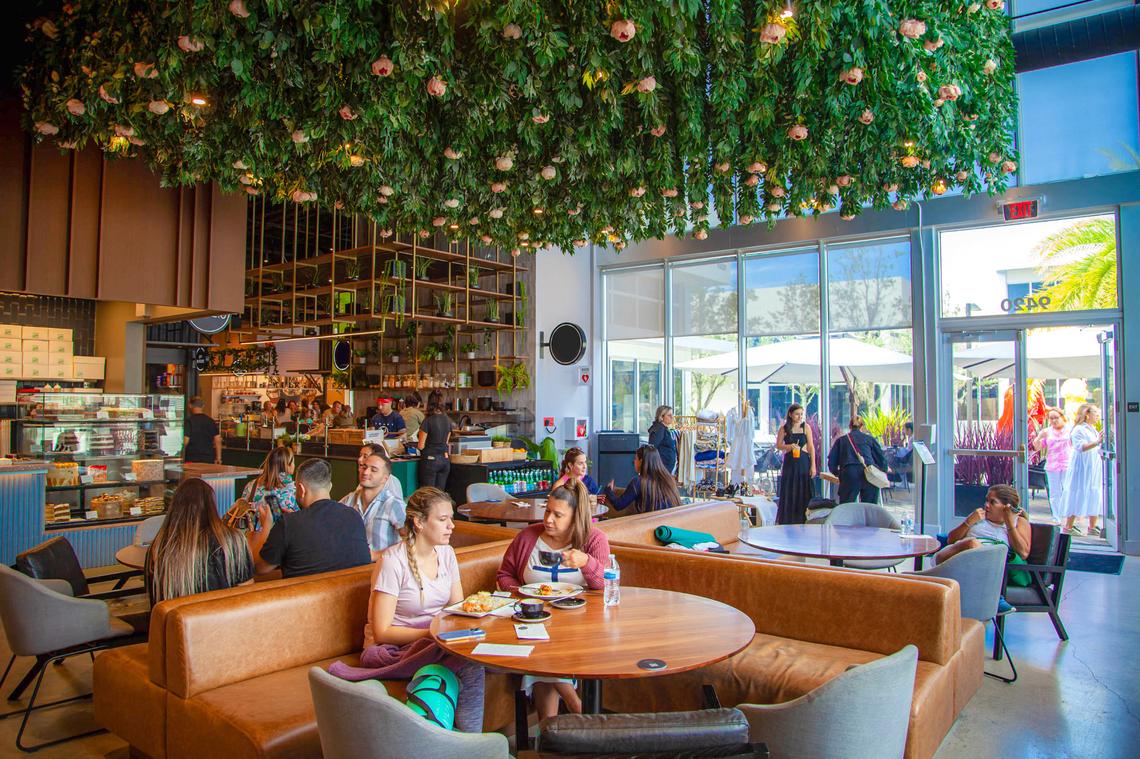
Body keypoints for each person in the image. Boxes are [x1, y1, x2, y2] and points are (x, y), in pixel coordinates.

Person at [327, 487, 486, 733]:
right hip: (391, 649)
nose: (452, 526)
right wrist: (431, 634)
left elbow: (455, 609)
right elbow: (382, 632)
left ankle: (461, 741)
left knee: (476, 652)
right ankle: (468, 740)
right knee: (469, 662)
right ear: (419, 522)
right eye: (443, 520)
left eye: (451, 519)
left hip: (434, 641)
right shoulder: (393, 561)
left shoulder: (447, 554)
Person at [496, 480, 609, 720]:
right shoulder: (528, 537)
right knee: (539, 647)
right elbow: (504, 574)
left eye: (558, 515)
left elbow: (604, 584)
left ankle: (552, 728)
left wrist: (586, 562)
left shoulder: (594, 540)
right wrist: (521, 593)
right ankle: (576, 712)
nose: (548, 519)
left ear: (574, 517)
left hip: (579, 623)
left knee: (543, 654)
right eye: (547, 511)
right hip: (532, 618)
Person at [247, 458, 371, 578]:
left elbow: (259, 568)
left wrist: (266, 525)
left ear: (301, 490)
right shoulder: (354, 516)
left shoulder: (289, 523)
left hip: (302, 597)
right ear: (330, 486)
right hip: (354, 594)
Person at [145, 478, 253, 604]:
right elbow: (247, 592)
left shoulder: (159, 546)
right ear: (212, 506)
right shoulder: (234, 540)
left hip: (175, 621)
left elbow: (155, 601)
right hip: (223, 620)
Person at [934, 484, 1031, 565]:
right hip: (954, 558)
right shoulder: (978, 517)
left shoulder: (1019, 522)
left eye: (993, 502)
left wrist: (1009, 523)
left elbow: (1023, 553)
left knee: (973, 544)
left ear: (1007, 507)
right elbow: (951, 540)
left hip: (988, 566)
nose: (986, 505)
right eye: (987, 500)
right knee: (971, 543)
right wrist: (968, 522)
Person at [341, 451, 407, 558]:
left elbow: (412, 540)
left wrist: (377, 555)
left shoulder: (393, 504)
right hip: (353, 566)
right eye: (364, 467)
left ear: (385, 478)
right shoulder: (349, 499)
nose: (366, 472)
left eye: (374, 470)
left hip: (382, 567)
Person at [1058, 403, 1103, 537]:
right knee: (1078, 492)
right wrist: (1097, 442)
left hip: (1092, 466)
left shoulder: (1092, 429)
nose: (1098, 416)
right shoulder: (1079, 430)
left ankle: (1092, 525)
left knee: (1093, 491)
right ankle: (1069, 525)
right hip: (1081, 467)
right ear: (1087, 414)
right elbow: (1080, 447)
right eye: (1095, 413)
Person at [826, 416, 888, 505]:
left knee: (847, 507)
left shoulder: (842, 440)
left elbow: (832, 461)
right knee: (869, 508)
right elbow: (882, 460)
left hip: (849, 474)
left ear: (850, 426)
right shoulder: (870, 439)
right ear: (862, 427)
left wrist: (839, 474)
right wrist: (882, 471)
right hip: (869, 473)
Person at [602, 444, 681, 514]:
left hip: (651, 526)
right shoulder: (668, 479)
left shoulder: (638, 482)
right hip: (671, 524)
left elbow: (618, 505)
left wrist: (609, 490)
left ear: (641, 461)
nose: (634, 461)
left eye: (635, 458)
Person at [774, 404, 816, 523]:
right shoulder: (784, 428)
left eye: (801, 414)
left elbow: (811, 447)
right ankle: (788, 519)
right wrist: (789, 446)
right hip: (790, 462)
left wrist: (813, 465)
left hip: (803, 461)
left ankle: (803, 518)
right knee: (790, 489)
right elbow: (778, 445)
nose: (799, 417)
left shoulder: (806, 427)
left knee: (803, 489)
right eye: (797, 414)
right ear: (791, 415)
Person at [1034, 408, 1072, 521]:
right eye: (1051, 418)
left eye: (1056, 418)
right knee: (1055, 492)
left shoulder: (1070, 430)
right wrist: (1039, 437)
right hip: (1052, 464)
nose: (1054, 420)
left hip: (1067, 463)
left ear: (1062, 417)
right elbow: (1038, 447)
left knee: (1067, 489)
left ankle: (1068, 515)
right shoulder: (1047, 432)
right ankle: (1057, 516)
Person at [239, 445, 300, 513]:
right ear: (288, 465)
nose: (294, 465)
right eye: (293, 462)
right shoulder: (295, 490)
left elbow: (241, 509)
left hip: (252, 523)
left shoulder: (252, 484)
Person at [417, 399, 454, 490]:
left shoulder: (428, 421)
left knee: (428, 494)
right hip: (445, 460)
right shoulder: (448, 420)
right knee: (439, 494)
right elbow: (446, 442)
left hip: (430, 461)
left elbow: (420, 446)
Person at [183, 396, 221, 465]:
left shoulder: (189, 421)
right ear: (203, 406)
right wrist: (218, 458)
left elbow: (185, 441)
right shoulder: (211, 421)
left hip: (192, 459)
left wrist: (180, 455)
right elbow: (217, 440)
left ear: (190, 406)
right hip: (208, 459)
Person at [647, 405, 678, 476]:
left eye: (672, 415)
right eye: (669, 415)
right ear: (661, 417)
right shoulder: (659, 429)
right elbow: (652, 448)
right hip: (661, 468)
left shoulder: (663, 429)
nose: (672, 417)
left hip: (664, 468)